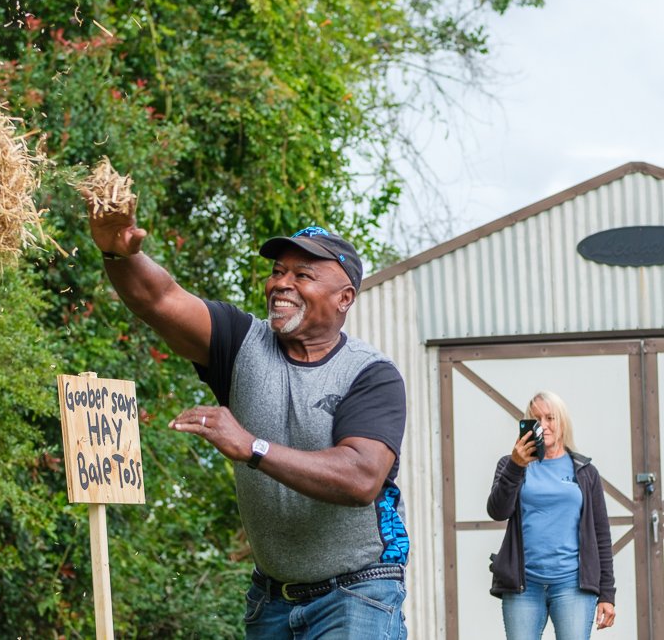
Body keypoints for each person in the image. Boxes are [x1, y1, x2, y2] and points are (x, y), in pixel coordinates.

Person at [86, 199, 409, 640]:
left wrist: (253, 447)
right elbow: (160, 299)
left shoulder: (370, 375)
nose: (282, 284)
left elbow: (360, 478)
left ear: (344, 298)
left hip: (356, 592)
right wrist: (120, 254)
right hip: (271, 598)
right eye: (278, 271)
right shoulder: (243, 343)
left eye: (303, 275)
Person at [487, 390, 617, 639]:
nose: (543, 426)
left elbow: (601, 534)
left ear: (562, 422)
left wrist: (607, 594)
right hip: (523, 585)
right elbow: (498, 511)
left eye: (550, 418)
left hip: (572, 586)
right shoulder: (510, 464)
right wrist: (516, 465)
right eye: (536, 420)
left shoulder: (585, 471)